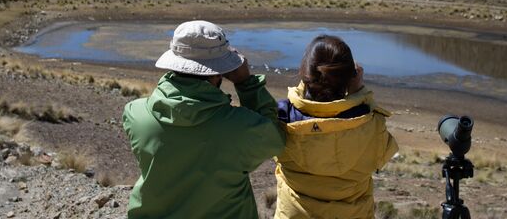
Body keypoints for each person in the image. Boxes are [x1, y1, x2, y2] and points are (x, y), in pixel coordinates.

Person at [122, 20, 285, 219]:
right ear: (220, 72)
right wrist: (246, 84)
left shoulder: (134, 114)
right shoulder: (240, 127)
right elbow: (275, 137)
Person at [275, 35, 398, 219]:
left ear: (305, 73)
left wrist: (305, 86)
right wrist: (360, 94)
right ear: (351, 77)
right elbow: (383, 156)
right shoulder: (371, 124)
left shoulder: (283, 119)